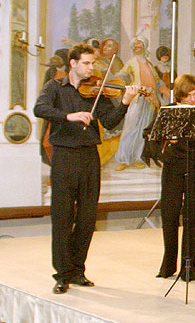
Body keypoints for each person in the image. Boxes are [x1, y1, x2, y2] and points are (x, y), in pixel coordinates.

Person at [33, 43, 138, 294]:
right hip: (64, 157)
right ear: (73, 63)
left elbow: (111, 122)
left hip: (90, 157)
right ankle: (62, 274)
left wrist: (125, 101)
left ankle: (78, 270)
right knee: (62, 217)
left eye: (93, 63)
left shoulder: (97, 91)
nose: (92, 68)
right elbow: (40, 108)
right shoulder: (55, 88)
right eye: (87, 63)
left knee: (87, 217)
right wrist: (68, 116)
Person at [156, 74, 195, 280]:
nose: (194, 99)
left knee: (192, 217)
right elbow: (152, 138)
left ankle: (190, 267)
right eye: (189, 95)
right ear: (180, 96)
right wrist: (168, 138)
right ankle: (168, 265)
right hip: (173, 166)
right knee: (170, 214)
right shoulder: (167, 112)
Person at [112, 37, 164, 170]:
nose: (137, 46)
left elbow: (157, 82)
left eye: (139, 44)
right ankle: (124, 158)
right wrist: (119, 82)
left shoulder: (149, 64)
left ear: (144, 46)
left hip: (149, 99)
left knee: (142, 130)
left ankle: (136, 157)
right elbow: (121, 75)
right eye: (135, 44)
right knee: (130, 127)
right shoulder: (131, 62)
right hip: (137, 97)